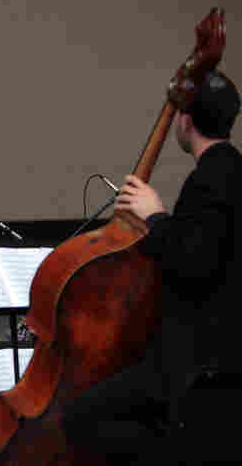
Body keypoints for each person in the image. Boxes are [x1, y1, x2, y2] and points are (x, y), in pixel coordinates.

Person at [66, 70, 242, 462]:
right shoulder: (233, 170)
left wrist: (156, 216)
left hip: (196, 365)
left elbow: (193, 264)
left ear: (185, 120)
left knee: (81, 418)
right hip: (220, 355)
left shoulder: (209, 179)